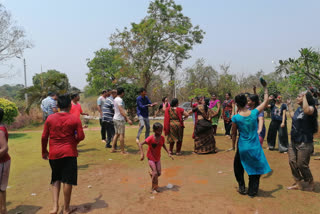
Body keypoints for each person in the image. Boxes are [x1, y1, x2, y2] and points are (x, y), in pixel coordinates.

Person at [41, 94, 85, 214]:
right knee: (68, 181)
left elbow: (44, 137)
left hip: (54, 153)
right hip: (69, 152)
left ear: (58, 105)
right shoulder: (75, 119)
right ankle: (66, 208)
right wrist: (73, 142)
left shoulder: (50, 119)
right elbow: (81, 136)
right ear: (70, 105)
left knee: (55, 179)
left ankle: (55, 208)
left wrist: (44, 151)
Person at [231, 83, 271, 197]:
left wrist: (233, 145)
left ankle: (242, 187)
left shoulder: (236, 118)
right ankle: (253, 191)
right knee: (255, 167)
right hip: (255, 145)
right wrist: (265, 88)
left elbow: (234, 134)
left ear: (237, 104)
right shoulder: (254, 113)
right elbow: (265, 102)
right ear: (246, 102)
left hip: (243, 146)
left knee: (238, 166)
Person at [286, 91, 318, 191]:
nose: (297, 98)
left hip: (305, 141)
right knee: (292, 161)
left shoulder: (312, 108)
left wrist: (305, 96)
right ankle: (298, 183)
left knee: (302, 164)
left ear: (305, 98)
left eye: (299, 96)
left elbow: (307, 110)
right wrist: (289, 105)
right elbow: (292, 115)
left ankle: (310, 182)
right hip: (294, 140)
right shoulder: (299, 109)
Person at [138, 122, 173, 193]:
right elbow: (140, 143)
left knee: (159, 173)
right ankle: (154, 188)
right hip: (151, 158)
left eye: (161, 130)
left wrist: (168, 152)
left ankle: (152, 175)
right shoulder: (150, 138)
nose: (160, 132)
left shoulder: (162, 138)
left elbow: (163, 145)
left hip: (157, 158)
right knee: (155, 173)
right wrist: (142, 154)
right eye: (158, 131)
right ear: (154, 130)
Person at [111, 87, 133, 154]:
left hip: (115, 118)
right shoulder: (119, 100)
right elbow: (121, 110)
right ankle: (122, 151)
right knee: (121, 135)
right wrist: (127, 118)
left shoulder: (115, 99)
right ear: (122, 93)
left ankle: (113, 149)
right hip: (119, 119)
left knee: (116, 134)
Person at [0, 108, 10, 214]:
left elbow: (4, 148)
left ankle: (3, 210)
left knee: (1, 188)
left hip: (2, 162)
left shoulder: (0, 130)